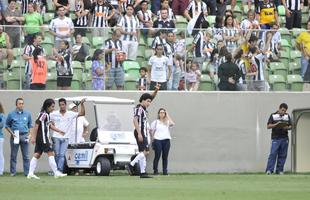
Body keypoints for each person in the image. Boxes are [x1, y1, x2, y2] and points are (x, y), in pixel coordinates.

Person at [27, 99, 68, 179]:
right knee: (51, 152)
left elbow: (49, 126)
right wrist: (33, 137)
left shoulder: (47, 115)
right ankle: (56, 172)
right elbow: (36, 124)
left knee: (37, 154)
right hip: (42, 138)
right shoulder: (44, 114)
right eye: (52, 106)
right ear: (47, 106)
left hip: (42, 138)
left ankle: (30, 173)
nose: (53, 108)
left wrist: (59, 131)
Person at [126, 84, 160, 178]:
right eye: (148, 101)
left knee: (142, 153)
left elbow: (151, 97)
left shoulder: (144, 108)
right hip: (140, 132)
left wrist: (156, 90)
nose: (149, 103)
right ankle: (131, 164)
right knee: (146, 151)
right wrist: (140, 133)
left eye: (150, 101)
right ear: (143, 100)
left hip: (142, 132)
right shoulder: (138, 108)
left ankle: (142, 172)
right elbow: (134, 120)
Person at [50, 98, 86, 172]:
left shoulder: (71, 113)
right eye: (60, 105)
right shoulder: (54, 113)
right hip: (56, 137)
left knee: (62, 155)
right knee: (56, 154)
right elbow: (46, 117)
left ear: (65, 105)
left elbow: (82, 113)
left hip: (66, 138)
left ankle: (59, 170)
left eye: (63, 105)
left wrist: (82, 104)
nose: (61, 106)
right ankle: (55, 170)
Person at [5, 98, 33, 176]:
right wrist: (12, 133)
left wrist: (30, 134)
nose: (21, 105)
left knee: (26, 156)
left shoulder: (27, 114)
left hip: (25, 135)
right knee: (13, 155)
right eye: (20, 103)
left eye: (22, 103)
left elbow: (30, 125)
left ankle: (27, 173)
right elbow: (7, 125)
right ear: (16, 104)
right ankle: (13, 172)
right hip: (15, 136)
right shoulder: (11, 114)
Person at [266, 103, 292, 175]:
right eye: (282, 110)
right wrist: (276, 124)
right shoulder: (273, 115)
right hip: (275, 139)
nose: (283, 112)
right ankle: (269, 170)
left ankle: (279, 170)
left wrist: (286, 127)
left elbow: (291, 126)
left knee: (283, 155)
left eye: (285, 111)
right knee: (273, 154)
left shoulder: (287, 116)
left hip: (285, 138)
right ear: (279, 108)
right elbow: (268, 126)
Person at [150, 108, 175, 175]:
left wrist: (168, 115)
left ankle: (165, 171)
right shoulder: (155, 122)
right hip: (158, 140)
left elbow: (172, 124)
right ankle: (155, 171)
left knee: (165, 156)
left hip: (166, 140)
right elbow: (151, 131)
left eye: (163, 112)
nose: (162, 114)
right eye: (161, 112)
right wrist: (153, 140)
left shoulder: (167, 122)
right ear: (158, 114)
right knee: (157, 156)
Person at [0, 102, 5, 176]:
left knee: (0, 154)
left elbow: (1, 125)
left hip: (0, 137)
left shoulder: (1, 115)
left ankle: (1, 170)